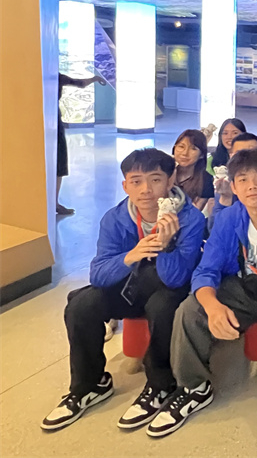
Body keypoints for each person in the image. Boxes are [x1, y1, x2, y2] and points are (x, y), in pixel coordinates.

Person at [148, 147, 257, 453]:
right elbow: (206, 270)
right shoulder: (228, 219)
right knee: (191, 308)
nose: (252, 186)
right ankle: (194, 387)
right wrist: (213, 306)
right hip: (241, 288)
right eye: (243, 179)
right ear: (234, 186)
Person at [41, 149, 206, 432]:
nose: (146, 190)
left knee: (163, 307)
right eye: (136, 181)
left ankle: (160, 384)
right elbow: (98, 274)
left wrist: (166, 245)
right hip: (130, 286)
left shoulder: (190, 219)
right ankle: (90, 385)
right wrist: (130, 256)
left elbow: (176, 279)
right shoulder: (115, 218)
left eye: (155, 180)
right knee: (81, 304)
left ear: (170, 181)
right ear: (125, 185)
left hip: (170, 289)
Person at [56, 72, 107, 214]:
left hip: (51, 120)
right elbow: (80, 83)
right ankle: (53, 202)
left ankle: (53, 202)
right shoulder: (56, 76)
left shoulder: (54, 77)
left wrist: (95, 78)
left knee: (58, 162)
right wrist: (95, 78)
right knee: (59, 162)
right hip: (54, 121)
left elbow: (80, 83)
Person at [172, 130, 214, 211]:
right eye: (181, 147)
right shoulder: (165, 172)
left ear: (201, 155)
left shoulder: (206, 179)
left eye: (193, 148)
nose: (185, 153)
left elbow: (195, 212)